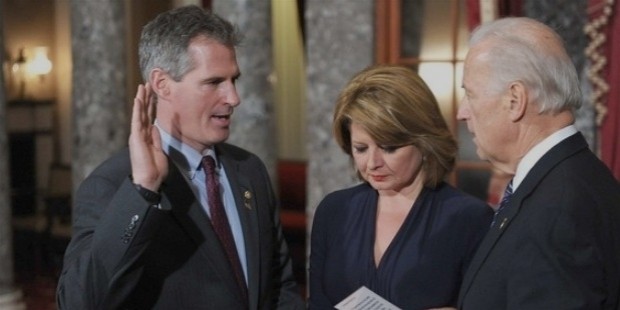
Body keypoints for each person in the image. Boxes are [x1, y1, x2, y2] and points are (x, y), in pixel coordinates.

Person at [56, 5, 304, 309]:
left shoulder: (249, 169)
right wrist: (143, 191)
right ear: (162, 84)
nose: (234, 98)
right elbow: (80, 302)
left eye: (233, 80)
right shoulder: (111, 184)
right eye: (214, 82)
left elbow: (280, 285)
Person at [456, 17, 620, 310]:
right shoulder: (571, 176)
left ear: (515, 100)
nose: (462, 112)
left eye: (470, 93)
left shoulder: (559, 206)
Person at [308, 65, 494, 309]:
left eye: (389, 148)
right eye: (361, 149)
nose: (373, 163)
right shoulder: (334, 210)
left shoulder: (470, 219)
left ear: (425, 142)